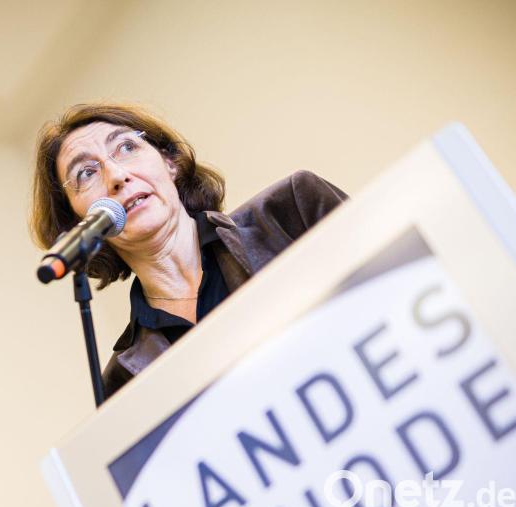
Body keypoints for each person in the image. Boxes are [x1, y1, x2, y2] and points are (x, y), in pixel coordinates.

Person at [30, 103, 347, 398]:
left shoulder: (292, 210)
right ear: (77, 222)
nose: (116, 176)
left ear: (170, 162)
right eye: (86, 172)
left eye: (127, 148)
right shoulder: (124, 384)